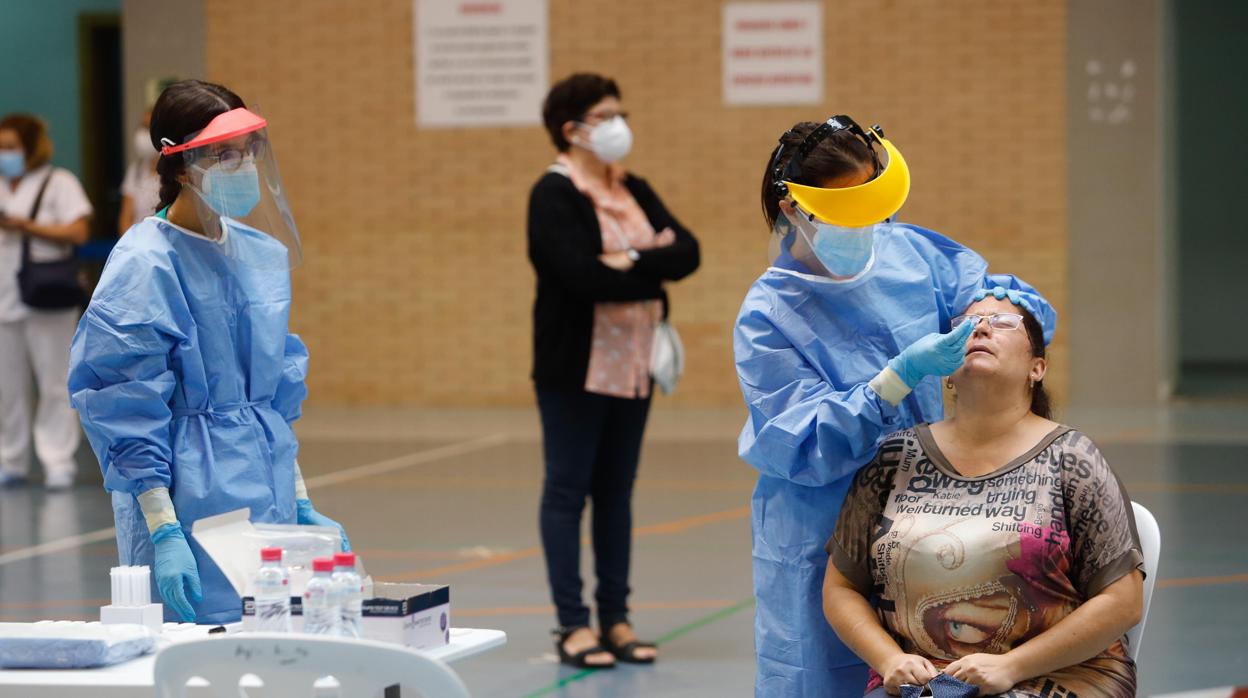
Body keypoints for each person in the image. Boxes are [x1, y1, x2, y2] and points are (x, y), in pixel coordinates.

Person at [734, 115, 1056, 696]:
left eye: (873, 206)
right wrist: (897, 379)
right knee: (826, 674)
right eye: (846, 213)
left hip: (931, 521)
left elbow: (1002, 296)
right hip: (822, 529)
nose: (868, 227)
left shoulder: (910, 254)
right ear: (793, 210)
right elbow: (804, 444)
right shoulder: (767, 318)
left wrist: (988, 308)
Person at [67, 80, 348, 624]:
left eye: (245, 151)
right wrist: (164, 529)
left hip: (265, 489)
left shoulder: (256, 254)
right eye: (221, 154)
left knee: (271, 643)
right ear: (177, 167)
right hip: (183, 499)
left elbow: (271, 402)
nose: (238, 165)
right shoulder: (144, 265)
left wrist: (299, 498)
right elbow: (123, 405)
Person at [824, 295, 1144, 697]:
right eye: (967, 322)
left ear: (1036, 368)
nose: (981, 327)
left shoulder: (1073, 458)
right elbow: (841, 588)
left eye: (1003, 322)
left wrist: (1012, 666)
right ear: (947, 373)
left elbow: (1123, 600)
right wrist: (889, 658)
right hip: (924, 683)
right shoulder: (895, 458)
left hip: (1059, 676)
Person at [528, 72, 699, 668]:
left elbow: (689, 253)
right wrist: (651, 260)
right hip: (574, 369)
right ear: (572, 129)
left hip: (634, 366)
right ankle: (573, 626)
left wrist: (627, 257)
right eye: (606, 114)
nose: (619, 124)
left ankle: (617, 620)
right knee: (568, 491)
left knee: (617, 494)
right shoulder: (552, 194)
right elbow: (578, 276)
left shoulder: (635, 187)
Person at [0, 113, 92, 490]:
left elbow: (78, 231)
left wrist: (25, 226)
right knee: (8, 386)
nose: (4, 154)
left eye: (11, 148)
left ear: (31, 148)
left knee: (54, 381)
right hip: (4, 298)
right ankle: (11, 458)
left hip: (47, 296)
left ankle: (57, 459)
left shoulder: (59, 182)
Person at [117, 109, 161, 233]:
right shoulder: (135, 171)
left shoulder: (177, 171)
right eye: (143, 127)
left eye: (149, 128)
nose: (143, 134)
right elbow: (125, 218)